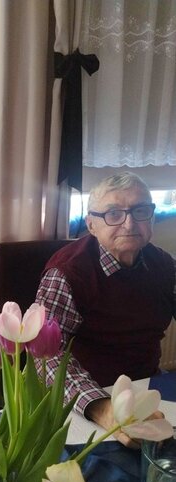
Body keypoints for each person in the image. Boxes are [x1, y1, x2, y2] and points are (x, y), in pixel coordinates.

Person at [35, 172, 176, 447]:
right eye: (113, 214)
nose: (129, 223)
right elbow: (46, 357)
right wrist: (102, 407)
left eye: (140, 211)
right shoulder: (66, 273)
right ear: (91, 224)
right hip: (84, 397)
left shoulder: (163, 264)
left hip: (146, 384)